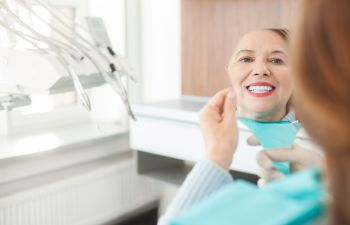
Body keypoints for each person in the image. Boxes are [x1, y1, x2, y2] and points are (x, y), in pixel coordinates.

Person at [158, 0, 350, 224]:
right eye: (246, 59)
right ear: (229, 71)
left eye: (277, 60)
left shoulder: (326, 141)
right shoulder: (196, 140)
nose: (260, 70)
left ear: (300, 74)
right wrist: (216, 158)